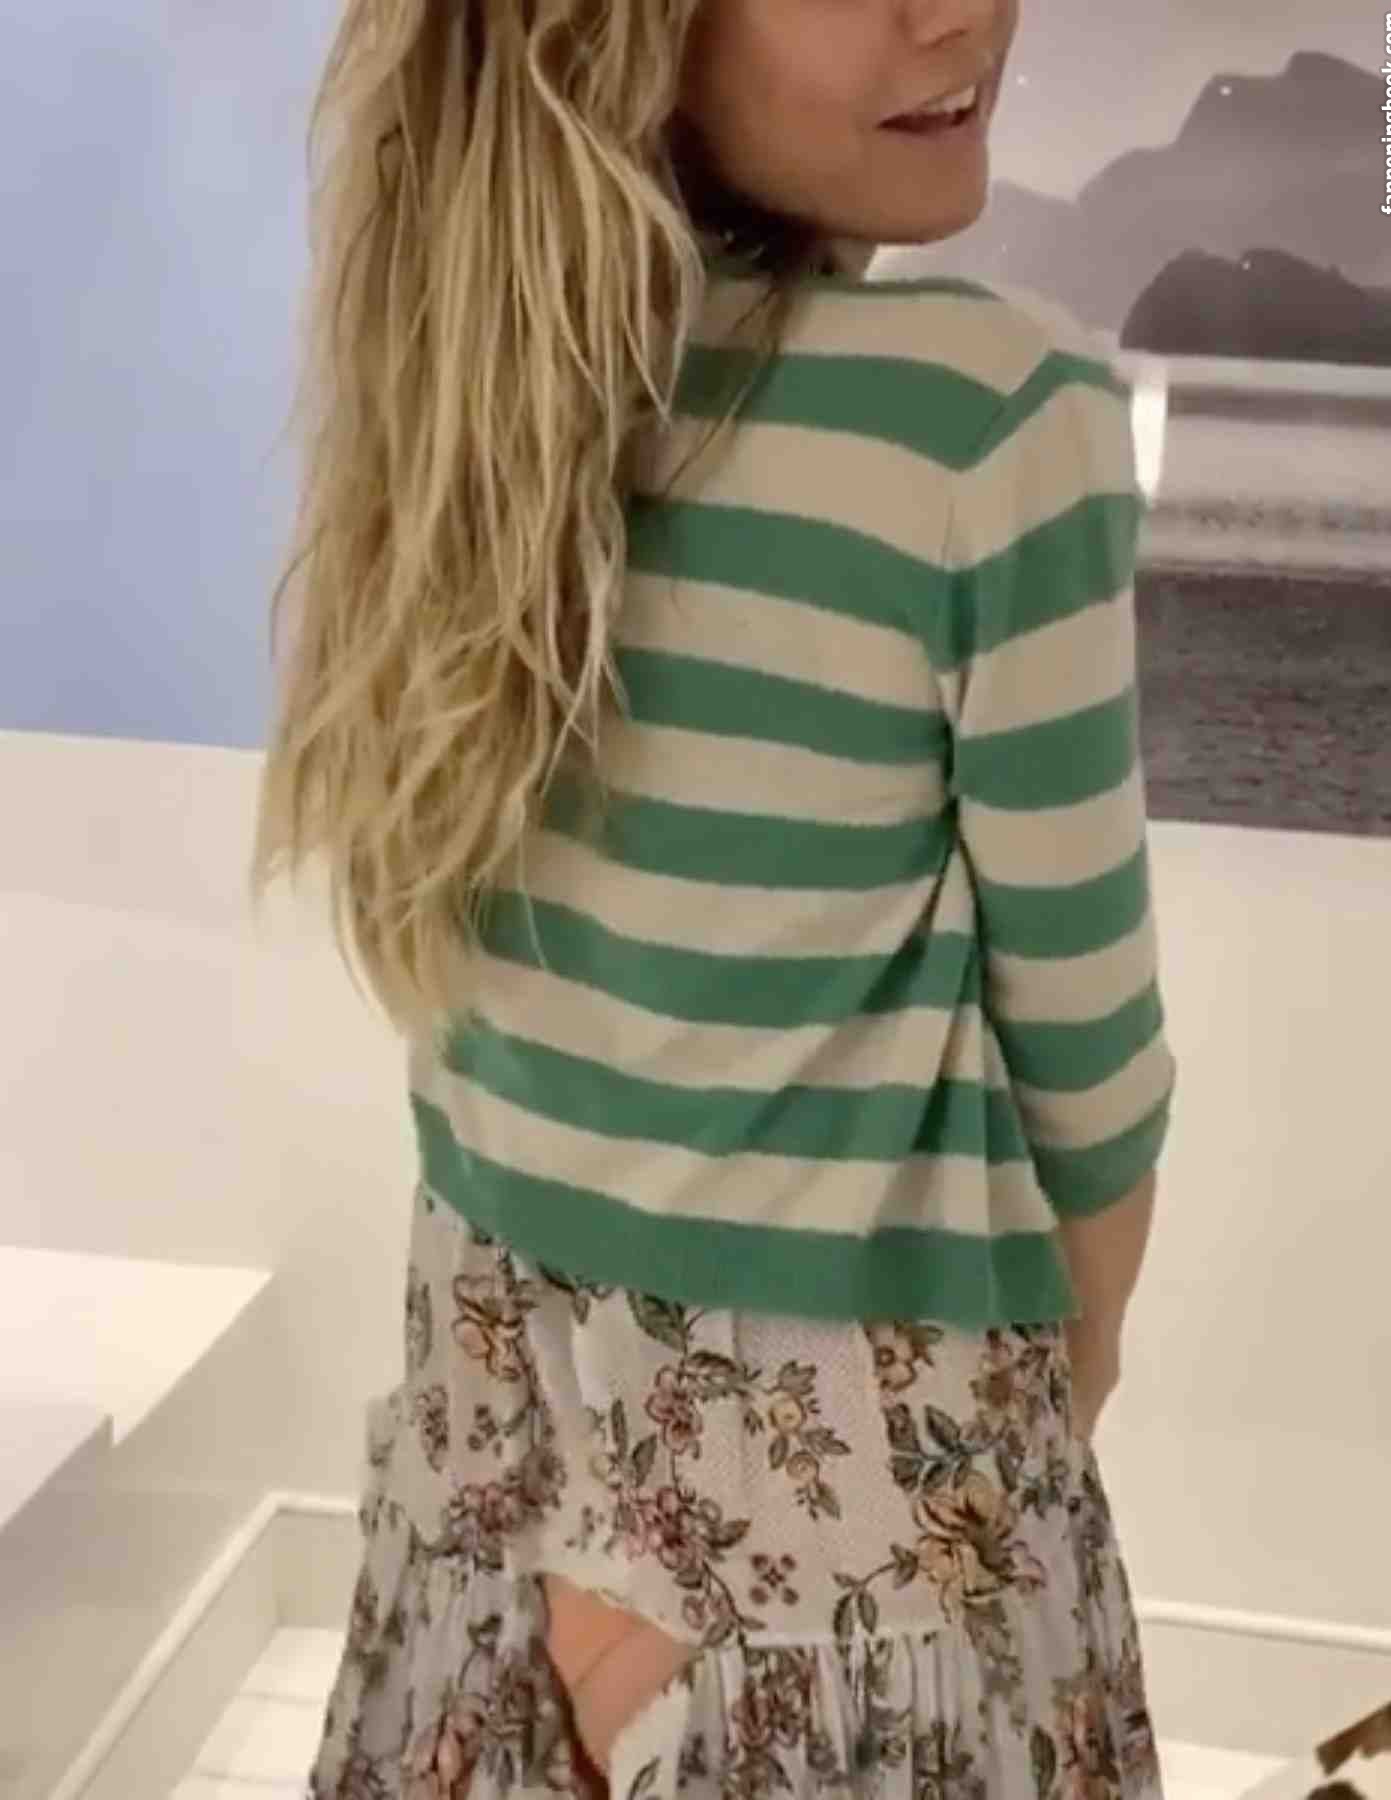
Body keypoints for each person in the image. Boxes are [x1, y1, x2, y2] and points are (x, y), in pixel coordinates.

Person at [249, 0, 1178, 1793]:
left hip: (486, 1478)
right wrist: (1062, 1397)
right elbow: (1090, 1058)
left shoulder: (468, 382)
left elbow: (492, 1039)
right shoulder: (989, 419)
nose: (959, 12)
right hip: (863, 1539)